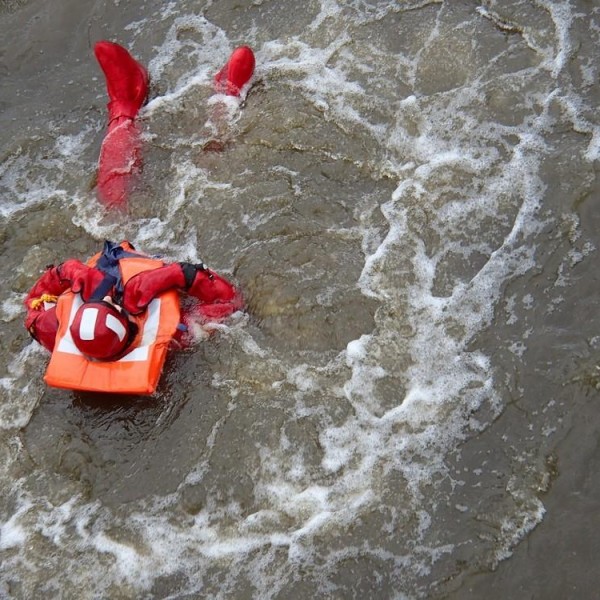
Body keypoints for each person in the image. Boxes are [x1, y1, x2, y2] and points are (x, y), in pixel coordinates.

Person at [24, 240, 243, 360]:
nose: (109, 295)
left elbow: (35, 301)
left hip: (102, 274)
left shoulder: (51, 329)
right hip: (138, 274)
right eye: (110, 302)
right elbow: (228, 303)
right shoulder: (174, 334)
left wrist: (63, 275)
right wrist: (190, 274)